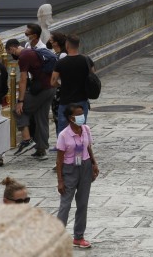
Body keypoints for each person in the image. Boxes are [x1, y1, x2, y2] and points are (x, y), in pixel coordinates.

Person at [56, 103, 99, 250]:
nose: (82, 117)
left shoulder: (85, 129)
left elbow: (88, 147)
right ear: (70, 118)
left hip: (85, 166)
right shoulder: (63, 135)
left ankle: (79, 236)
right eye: (78, 115)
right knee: (65, 204)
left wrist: (94, 164)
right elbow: (59, 159)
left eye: (82, 114)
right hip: (69, 169)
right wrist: (60, 180)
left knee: (82, 203)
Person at [6, 33, 55, 158]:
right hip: (50, 88)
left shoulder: (24, 56)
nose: (11, 55)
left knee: (17, 111)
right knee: (41, 118)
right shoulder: (32, 51)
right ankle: (41, 150)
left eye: (9, 52)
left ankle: (27, 140)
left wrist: (20, 101)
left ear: (12, 48)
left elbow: (23, 80)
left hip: (42, 90)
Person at [52, 35, 96, 137]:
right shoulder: (86, 60)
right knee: (80, 126)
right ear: (79, 45)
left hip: (65, 100)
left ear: (67, 45)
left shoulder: (61, 62)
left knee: (63, 128)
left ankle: (64, 149)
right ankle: (80, 147)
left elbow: (53, 82)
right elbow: (93, 75)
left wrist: (61, 85)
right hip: (82, 99)